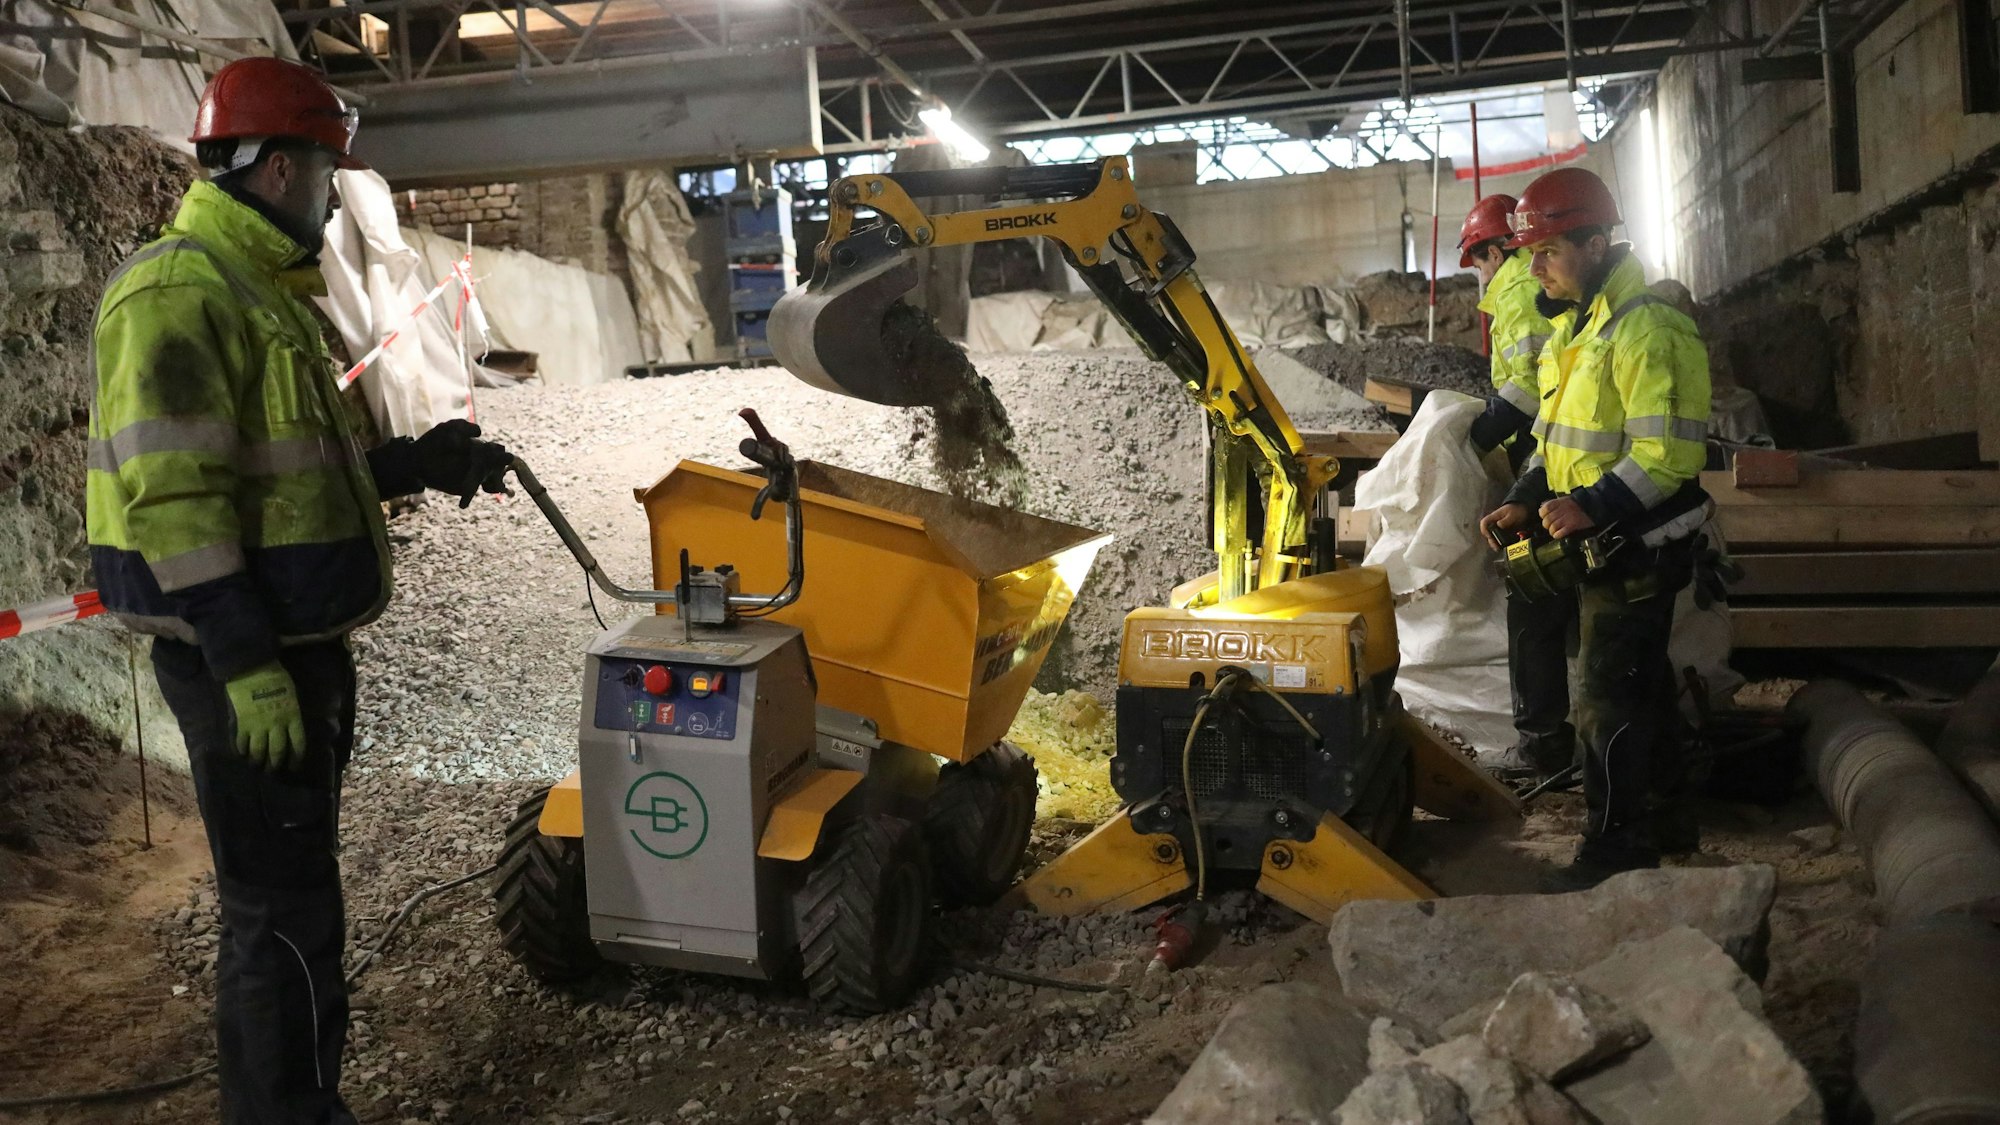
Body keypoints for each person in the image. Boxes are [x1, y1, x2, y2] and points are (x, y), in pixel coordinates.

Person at [84, 57, 512, 1122]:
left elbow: (277, 490)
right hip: (247, 663)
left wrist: (412, 465)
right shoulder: (181, 293)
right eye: (326, 170)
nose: (332, 193)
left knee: (297, 897)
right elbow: (172, 499)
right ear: (279, 169)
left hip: (286, 649)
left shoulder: (254, 292)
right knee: (279, 912)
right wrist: (246, 667)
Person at [1474, 167, 1713, 891]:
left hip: (1642, 541)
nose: (1534, 266)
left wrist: (1594, 506)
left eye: (1548, 250)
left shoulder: (1648, 330)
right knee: (1640, 686)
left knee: (1605, 697)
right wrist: (1525, 494)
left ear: (1597, 242)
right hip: (1604, 538)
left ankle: (1617, 849)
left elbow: (1669, 456)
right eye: (1527, 252)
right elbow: (1556, 439)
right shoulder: (1572, 330)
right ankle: (1670, 820)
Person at [1458, 194, 1571, 782]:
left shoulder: (1519, 298)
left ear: (1497, 250)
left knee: (1533, 598)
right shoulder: (1517, 301)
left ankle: (1544, 746)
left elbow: (1527, 390)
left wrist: (1473, 437)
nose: (1478, 274)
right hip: (1553, 466)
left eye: (1478, 260)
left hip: (1553, 469)